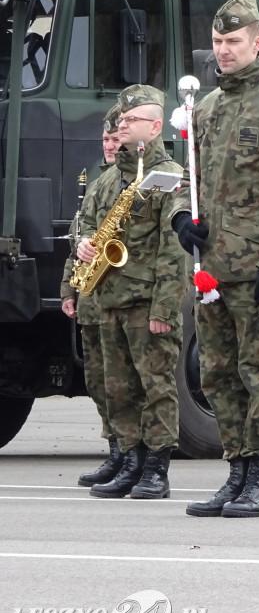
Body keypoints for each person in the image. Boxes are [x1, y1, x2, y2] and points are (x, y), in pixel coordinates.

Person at [173, 0, 259, 518]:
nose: (224, 50)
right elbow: (191, 177)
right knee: (217, 377)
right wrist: (182, 220)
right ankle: (236, 474)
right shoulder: (205, 109)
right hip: (212, 271)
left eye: (234, 42)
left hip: (257, 270)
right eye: (217, 42)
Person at [78, 86, 187, 499]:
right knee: (118, 387)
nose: (122, 127)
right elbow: (86, 224)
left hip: (146, 302)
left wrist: (165, 307)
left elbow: (173, 250)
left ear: (156, 127)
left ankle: (156, 468)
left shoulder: (170, 178)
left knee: (155, 386)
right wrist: (86, 243)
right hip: (108, 299)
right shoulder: (107, 180)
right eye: (120, 122)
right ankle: (131, 459)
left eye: (131, 121)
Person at [64, 104, 121, 487]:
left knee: (124, 382)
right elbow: (77, 234)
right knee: (99, 381)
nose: (111, 145)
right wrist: (69, 287)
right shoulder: (96, 180)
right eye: (106, 139)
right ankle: (116, 450)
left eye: (117, 138)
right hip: (91, 295)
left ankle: (138, 459)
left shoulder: (144, 178)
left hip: (121, 295)